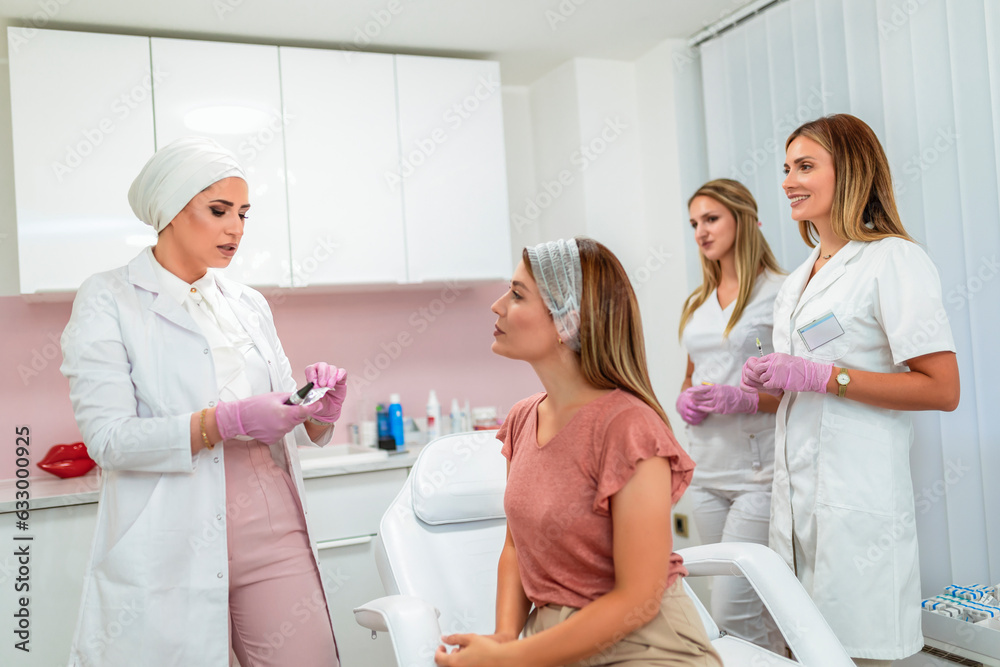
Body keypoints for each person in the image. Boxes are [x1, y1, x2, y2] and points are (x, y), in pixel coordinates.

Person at [60, 137, 346, 667]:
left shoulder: (249, 305)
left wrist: (318, 413)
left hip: (274, 527)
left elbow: (287, 411)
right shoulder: (109, 300)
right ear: (169, 211)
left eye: (242, 213)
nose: (235, 229)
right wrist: (223, 421)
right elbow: (108, 440)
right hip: (174, 539)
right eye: (217, 211)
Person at [435, 238, 722, 667]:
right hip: (549, 641)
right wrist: (503, 639)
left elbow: (637, 600)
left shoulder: (628, 427)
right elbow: (516, 547)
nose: (497, 306)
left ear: (567, 320)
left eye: (516, 294)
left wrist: (512, 659)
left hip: (645, 644)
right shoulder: (522, 419)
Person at [741, 114, 960, 666]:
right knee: (802, 651)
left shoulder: (893, 260)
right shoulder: (798, 280)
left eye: (806, 166)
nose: (789, 180)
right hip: (794, 509)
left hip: (857, 508)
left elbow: (941, 389)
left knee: (856, 655)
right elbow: (801, 388)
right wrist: (767, 382)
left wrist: (825, 377)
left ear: (852, 173)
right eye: (786, 168)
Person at [675, 179, 784, 651]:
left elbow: (782, 389)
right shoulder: (698, 303)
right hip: (706, 474)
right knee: (749, 604)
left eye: (711, 219)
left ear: (742, 219)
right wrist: (685, 400)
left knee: (731, 610)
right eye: (695, 223)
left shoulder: (774, 296)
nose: (701, 231)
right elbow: (690, 376)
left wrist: (741, 399)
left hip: (755, 476)